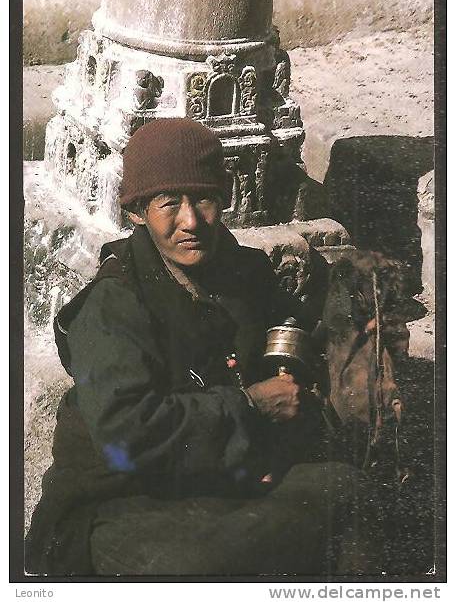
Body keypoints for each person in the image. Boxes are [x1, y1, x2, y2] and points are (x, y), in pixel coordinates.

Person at [25, 118, 381, 577]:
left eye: (205, 199)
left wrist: (282, 436)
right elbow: (127, 439)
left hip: (221, 475)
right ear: (137, 212)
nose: (190, 221)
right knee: (199, 565)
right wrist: (252, 408)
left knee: (350, 492)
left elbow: (293, 340)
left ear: (225, 200)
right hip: (121, 500)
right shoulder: (112, 306)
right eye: (168, 203)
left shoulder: (240, 270)